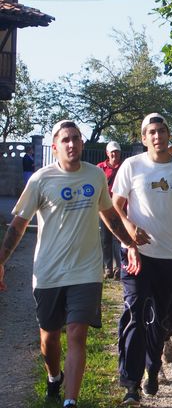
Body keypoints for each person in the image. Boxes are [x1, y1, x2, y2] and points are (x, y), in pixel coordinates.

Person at [0, 120, 141, 408]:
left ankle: (70, 402)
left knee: (77, 333)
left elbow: (110, 216)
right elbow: (18, 225)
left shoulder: (95, 176)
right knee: (49, 339)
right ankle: (54, 376)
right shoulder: (40, 179)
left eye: (76, 138)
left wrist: (129, 244)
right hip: (49, 272)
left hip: (86, 271)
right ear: (55, 146)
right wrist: (1, 261)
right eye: (65, 139)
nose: (72, 144)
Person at [111, 113, 172, 406]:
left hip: (170, 255)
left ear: (168, 134)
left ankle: (154, 364)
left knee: (166, 317)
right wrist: (129, 228)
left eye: (161, 131)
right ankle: (131, 385)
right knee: (135, 315)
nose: (157, 136)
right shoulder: (132, 166)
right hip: (137, 256)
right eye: (151, 132)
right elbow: (116, 205)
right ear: (143, 137)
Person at [97, 141, 123, 279]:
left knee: (119, 238)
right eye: (112, 152)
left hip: (121, 209)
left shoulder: (125, 167)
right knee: (105, 239)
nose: (114, 154)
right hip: (104, 209)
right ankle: (108, 268)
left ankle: (119, 267)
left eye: (117, 151)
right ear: (107, 153)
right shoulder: (100, 168)